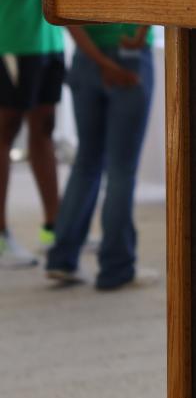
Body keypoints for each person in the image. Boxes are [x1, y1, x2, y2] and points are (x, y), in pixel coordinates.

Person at [0, 0, 71, 268]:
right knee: (6, 136)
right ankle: (2, 235)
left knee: (43, 131)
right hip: (15, 38)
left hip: (49, 35)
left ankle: (56, 227)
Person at [45, 22, 156, 289]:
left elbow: (65, 15)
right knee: (121, 169)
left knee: (86, 163)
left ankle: (62, 258)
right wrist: (139, 34)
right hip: (129, 53)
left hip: (86, 59)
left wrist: (97, 59)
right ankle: (117, 268)